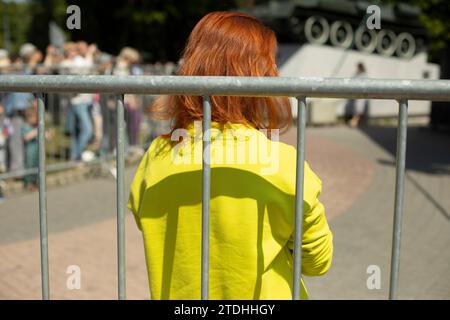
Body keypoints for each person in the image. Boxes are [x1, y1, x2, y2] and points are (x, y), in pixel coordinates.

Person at [128, 12, 333, 300]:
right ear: (258, 79)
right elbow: (317, 261)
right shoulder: (283, 163)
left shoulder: (157, 155)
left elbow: (148, 224)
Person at [345, 62, 369, 127]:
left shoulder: (364, 75)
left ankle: (355, 121)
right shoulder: (356, 74)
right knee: (357, 108)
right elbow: (352, 81)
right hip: (356, 95)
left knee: (359, 109)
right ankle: (356, 121)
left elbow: (366, 84)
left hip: (362, 95)